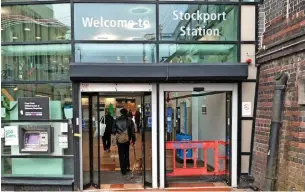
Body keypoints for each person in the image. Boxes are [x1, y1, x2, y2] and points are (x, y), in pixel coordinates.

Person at [112, 108, 136, 175]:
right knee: (126, 153)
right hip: (127, 139)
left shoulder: (116, 120)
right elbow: (133, 131)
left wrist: (117, 132)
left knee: (121, 154)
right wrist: (133, 140)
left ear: (120, 113)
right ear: (126, 113)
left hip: (119, 140)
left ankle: (123, 170)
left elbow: (113, 130)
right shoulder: (129, 120)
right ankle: (127, 167)